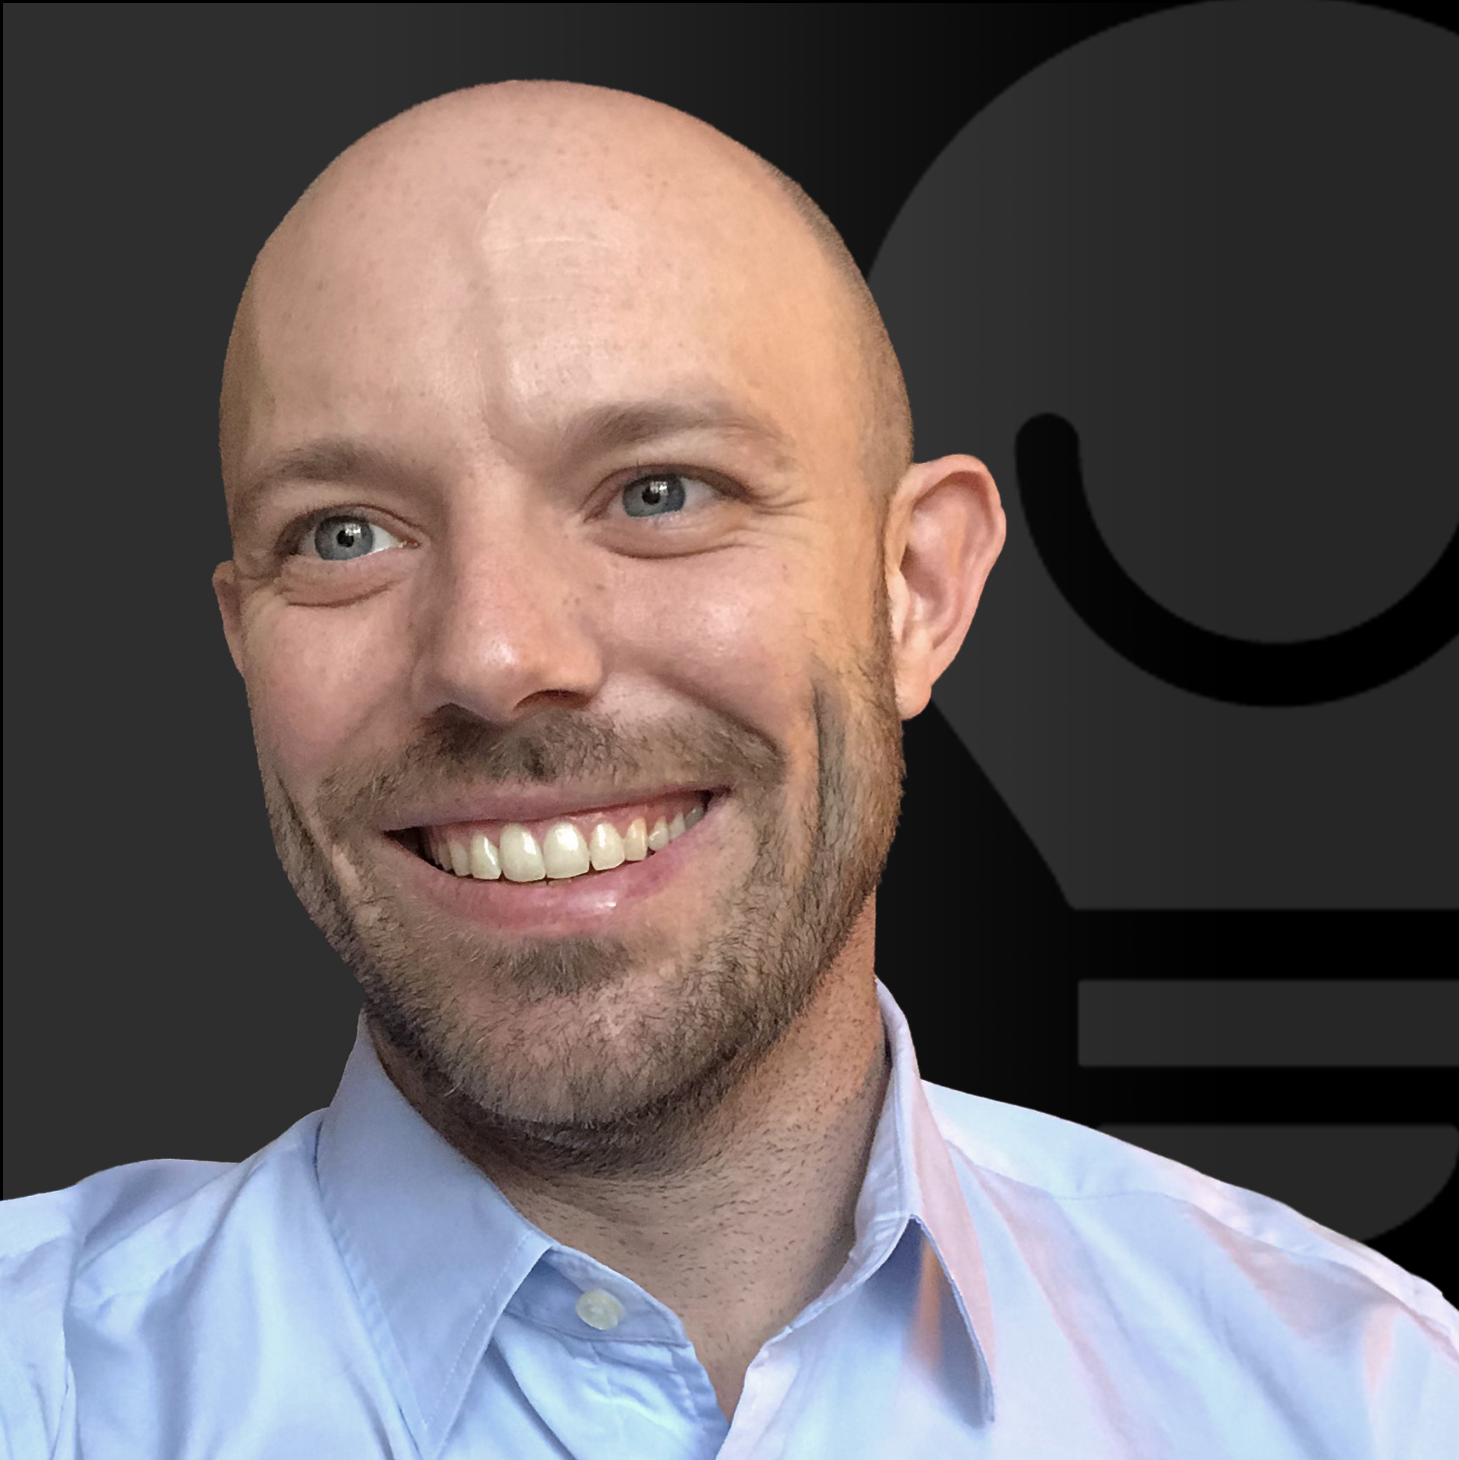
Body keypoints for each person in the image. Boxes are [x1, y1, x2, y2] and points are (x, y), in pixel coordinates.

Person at [2, 79, 1454, 1459]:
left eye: (658, 493)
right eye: (343, 533)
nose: (498, 656)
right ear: (245, 634)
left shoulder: (1360, 1403)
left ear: (913, 592)